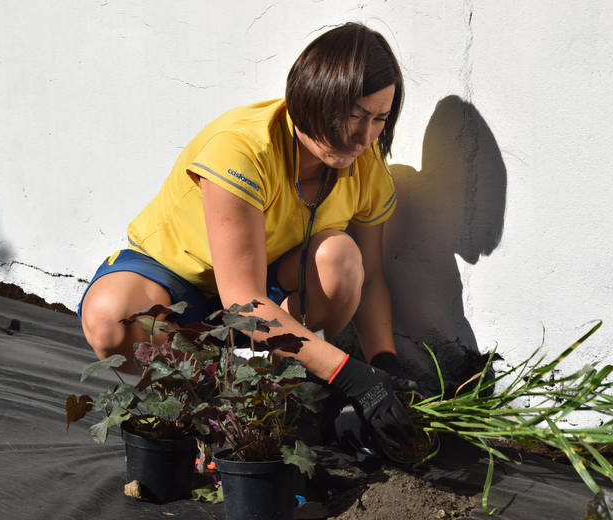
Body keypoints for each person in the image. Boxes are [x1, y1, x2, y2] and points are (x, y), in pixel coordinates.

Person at [78, 22, 415, 449]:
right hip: (175, 277)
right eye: (353, 115)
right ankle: (216, 394)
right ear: (312, 98)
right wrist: (348, 375)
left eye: (379, 118)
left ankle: (256, 377)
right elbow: (242, 302)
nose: (364, 137)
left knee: (341, 260)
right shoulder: (241, 149)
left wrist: (384, 365)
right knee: (111, 321)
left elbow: (372, 282)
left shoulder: (367, 168)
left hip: (263, 284)